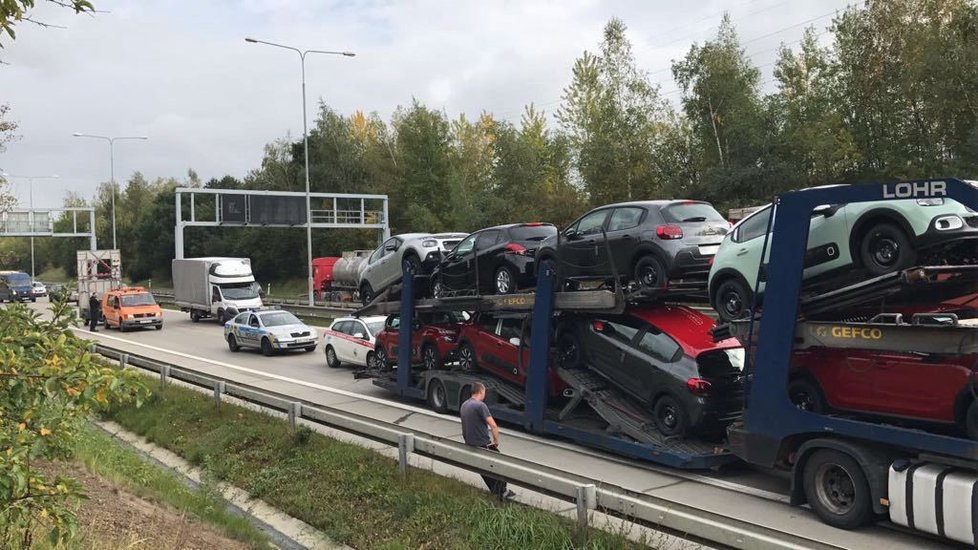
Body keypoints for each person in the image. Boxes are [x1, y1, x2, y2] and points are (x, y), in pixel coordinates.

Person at [460, 382, 516, 502]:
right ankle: (502, 493)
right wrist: (496, 441)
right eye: (484, 392)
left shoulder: (464, 405)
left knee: (485, 470)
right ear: (481, 392)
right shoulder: (480, 406)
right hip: (483, 443)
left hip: (470, 443)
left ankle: (497, 492)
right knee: (500, 465)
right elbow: (493, 425)